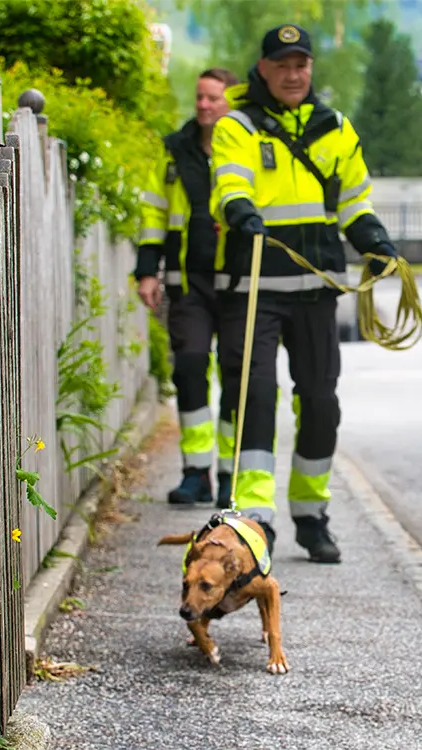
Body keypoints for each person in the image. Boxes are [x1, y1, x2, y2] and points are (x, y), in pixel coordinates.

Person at [207, 24, 399, 563]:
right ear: (263, 69)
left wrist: (375, 242)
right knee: (256, 397)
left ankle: (312, 516)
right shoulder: (237, 126)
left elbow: (355, 203)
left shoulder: (336, 128)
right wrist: (240, 210)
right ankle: (254, 520)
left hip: (316, 290)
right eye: (283, 64)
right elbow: (232, 182)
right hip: (256, 290)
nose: (294, 74)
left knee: (320, 403)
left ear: (311, 69)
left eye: (302, 64)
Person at [135, 67, 240, 508]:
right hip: (188, 283)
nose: (203, 105)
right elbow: (155, 213)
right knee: (191, 366)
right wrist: (147, 270)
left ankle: (232, 474)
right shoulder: (174, 150)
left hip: (238, 283)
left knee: (238, 379)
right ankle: (196, 473)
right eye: (199, 97)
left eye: (213, 98)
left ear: (231, 102)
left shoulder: (247, 149)